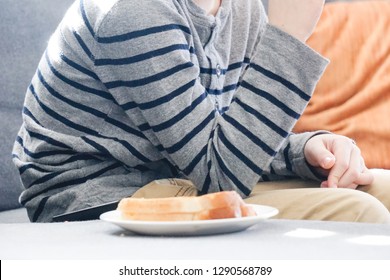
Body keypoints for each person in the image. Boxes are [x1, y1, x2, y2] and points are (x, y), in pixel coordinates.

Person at [12, 0, 390, 223]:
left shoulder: (240, 9)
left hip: (186, 173)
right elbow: (219, 175)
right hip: (98, 200)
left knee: (382, 189)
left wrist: (308, 149)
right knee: (357, 215)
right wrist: (290, 37)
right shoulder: (132, 12)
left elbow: (224, 139)